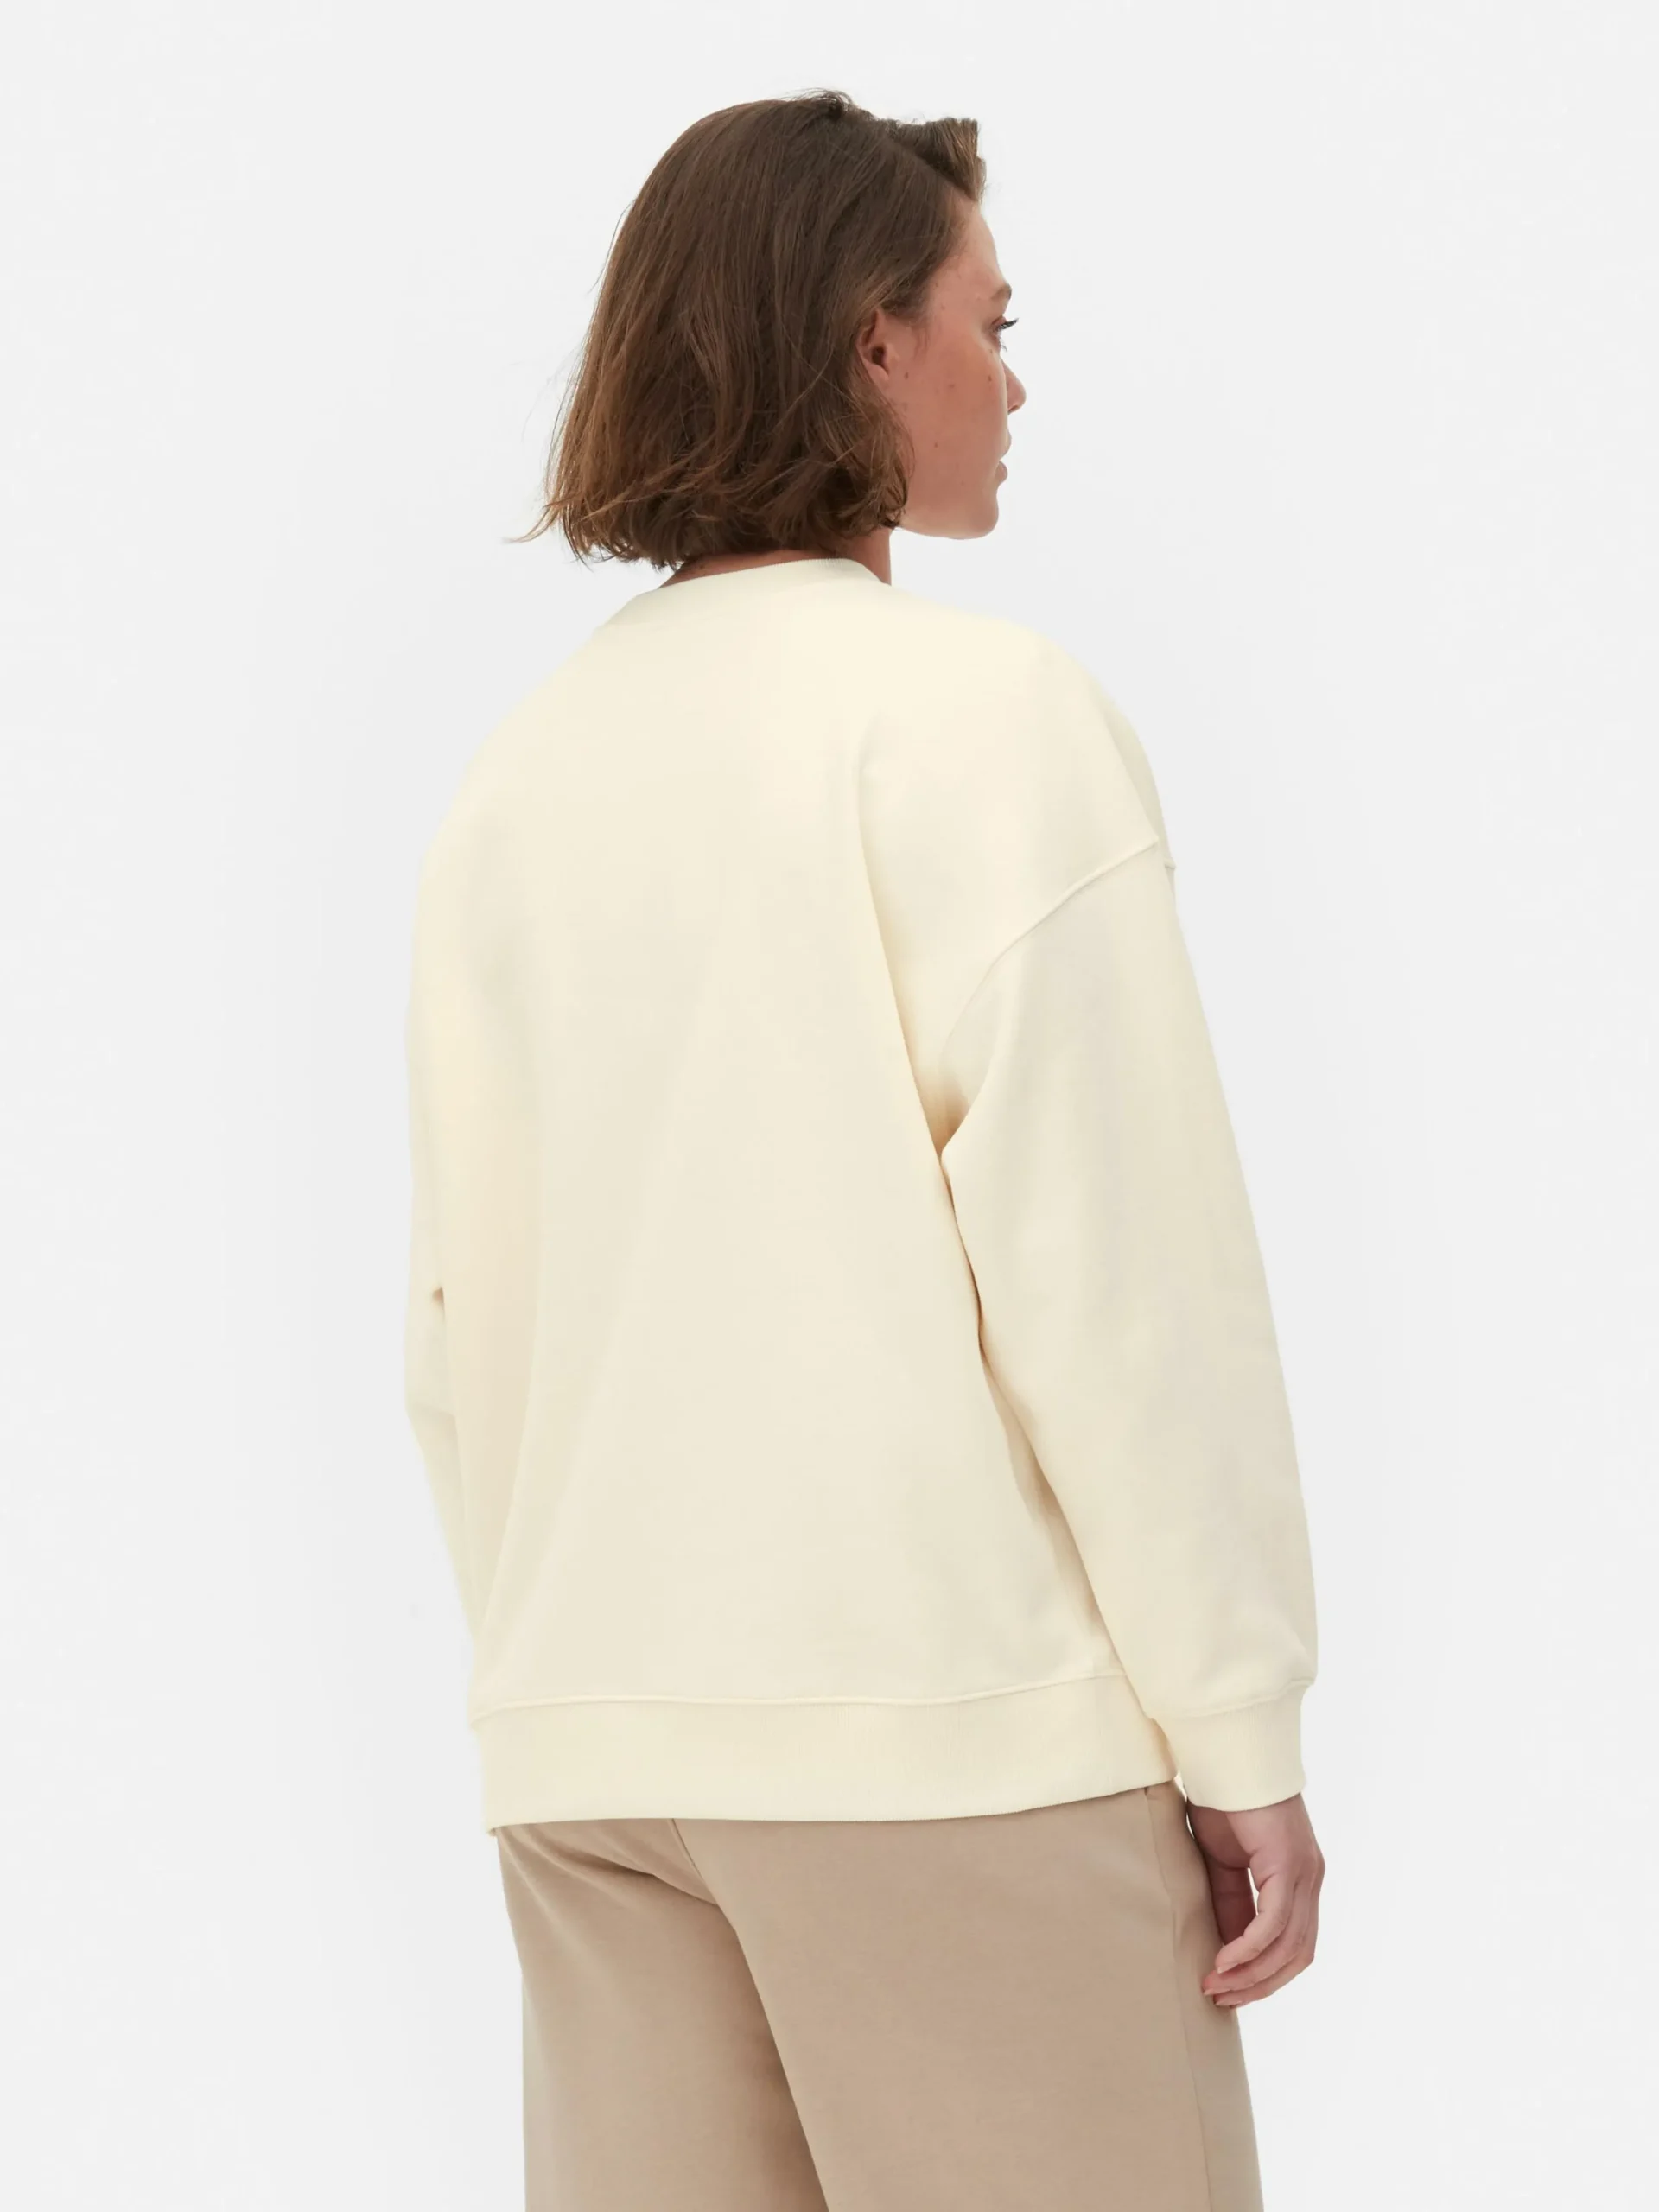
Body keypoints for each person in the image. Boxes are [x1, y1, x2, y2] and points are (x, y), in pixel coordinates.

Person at [403, 88, 1324, 2212]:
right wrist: (1240, 1732)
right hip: (946, 1745)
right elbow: (1121, 1282)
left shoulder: (517, 782)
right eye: (992, 322)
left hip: (598, 1758)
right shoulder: (982, 718)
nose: (1016, 380)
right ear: (869, 342)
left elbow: (454, 1322)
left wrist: (575, 1669)